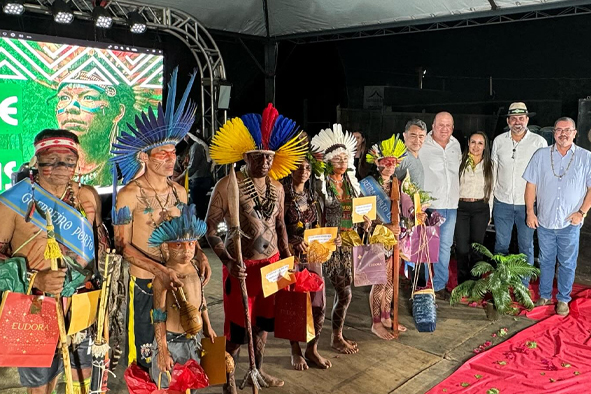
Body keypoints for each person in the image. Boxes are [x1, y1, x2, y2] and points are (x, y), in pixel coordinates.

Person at [111, 69, 211, 371]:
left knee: (184, 356)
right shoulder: (127, 196)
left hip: (179, 282)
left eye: (173, 153)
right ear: (144, 157)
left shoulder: (179, 193)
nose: (171, 160)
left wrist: (201, 256)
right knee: (149, 359)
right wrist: (159, 270)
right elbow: (122, 246)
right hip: (144, 285)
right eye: (162, 154)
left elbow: (186, 233)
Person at [206, 103, 306, 394]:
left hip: (272, 265)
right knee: (237, 329)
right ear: (245, 156)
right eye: (258, 156)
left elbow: (280, 226)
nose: (264, 162)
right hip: (243, 267)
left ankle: (256, 371)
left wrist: (287, 257)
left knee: (262, 323)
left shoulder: (277, 188)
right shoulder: (228, 185)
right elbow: (211, 229)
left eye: (269, 157)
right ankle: (228, 380)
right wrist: (227, 260)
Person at [0, 129, 106, 394]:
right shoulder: (13, 202)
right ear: (37, 161)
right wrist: (36, 278)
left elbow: (98, 246)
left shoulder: (88, 197)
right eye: (52, 159)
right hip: (34, 305)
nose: (61, 166)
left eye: (68, 159)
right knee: (41, 387)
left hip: (80, 304)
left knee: (82, 381)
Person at [311, 124, 371, 354]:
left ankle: (336, 335)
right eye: (337, 159)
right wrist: (327, 239)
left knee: (343, 294)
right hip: (330, 248)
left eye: (346, 158)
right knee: (343, 293)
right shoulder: (321, 186)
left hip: (348, 245)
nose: (342, 162)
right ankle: (330, 338)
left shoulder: (350, 185)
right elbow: (315, 219)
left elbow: (357, 211)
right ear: (327, 162)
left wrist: (364, 222)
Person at [524, 117, 591, 316]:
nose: (563, 134)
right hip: (544, 220)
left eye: (567, 130)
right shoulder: (541, 155)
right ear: (554, 133)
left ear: (575, 133)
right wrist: (530, 211)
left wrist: (582, 212)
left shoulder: (586, 157)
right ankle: (544, 295)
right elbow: (531, 185)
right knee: (545, 260)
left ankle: (563, 299)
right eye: (559, 130)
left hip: (569, 222)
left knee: (567, 262)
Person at [148, 204, 216, 387]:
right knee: (170, 387)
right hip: (171, 342)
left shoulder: (195, 267)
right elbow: (158, 316)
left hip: (193, 340)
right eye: (179, 244)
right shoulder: (163, 277)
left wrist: (208, 326)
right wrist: (162, 352)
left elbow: (200, 300)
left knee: (191, 385)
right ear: (166, 245)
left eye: (191, 244)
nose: (187, 250)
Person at [282, 155, 332, 370]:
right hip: (291, 256)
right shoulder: (282, 195)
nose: (303, 171)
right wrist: (292, 240)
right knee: (294, 303)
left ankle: (312, 349)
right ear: (291, 169)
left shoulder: (313, 195)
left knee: (318, 302)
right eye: (299, 167)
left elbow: (318, 225)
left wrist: (331, 239)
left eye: (307, 167)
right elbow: (275, 226)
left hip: (313, 256)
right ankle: (295, 350)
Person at [491, 102, 547, 281]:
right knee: (501, 244)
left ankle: (523, 285)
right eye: (513, 118)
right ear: (508, 121)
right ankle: (502, 284)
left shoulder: (539, 142)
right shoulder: (499, 141)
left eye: (521, 118)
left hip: (527, 205)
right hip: (502, 202)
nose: (517, 122)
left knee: (526, 246)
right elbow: (493, 172)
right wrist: (491, 204)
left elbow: (544, 176)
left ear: (527, 120)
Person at [55, 71, 136, 185]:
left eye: (88, 97)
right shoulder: (41, 170)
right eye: (64, 97)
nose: (71, 107)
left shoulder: (128, 173)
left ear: (118, 112)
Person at [365, 134, 407, 340]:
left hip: (394, 241)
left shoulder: (397, 184)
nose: (390, 166)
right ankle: (375, 323)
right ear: (377, 163)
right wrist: (386, 226)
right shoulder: (367, 186)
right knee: (379, 282)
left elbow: (404, 210)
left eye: (393, 162)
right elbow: (363, 216)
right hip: (376, 239)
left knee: (391, 282)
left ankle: (386, 316)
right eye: (386, 162)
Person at [419, 112, 462, 300]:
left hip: (451, 204)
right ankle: (423, 284)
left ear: (452, 127)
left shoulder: (456, 145)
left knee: (445, 246)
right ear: (433, 125)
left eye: (448, 125)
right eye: (440, 125)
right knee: (427, 246)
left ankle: (439, 284)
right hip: (430, 205)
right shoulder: (422, 145)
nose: (444, 129)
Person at [455, 132, 494, 284]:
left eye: (480, 143)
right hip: (461, 208)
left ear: (485, 146)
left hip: (480, 208)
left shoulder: (491, 165)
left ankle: (475, 282)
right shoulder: (459, 161)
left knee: (477, 247)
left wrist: (490, 211)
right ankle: (463, 282)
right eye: (473, 142)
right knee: (462, 247)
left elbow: (493, 190)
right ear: (468, 144)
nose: (476, 146)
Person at [395, 119, 427, 188]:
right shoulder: (402, 157)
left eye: (421, 136)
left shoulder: (416, 157)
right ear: (404, 135)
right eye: (413, 135)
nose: (417, 140)